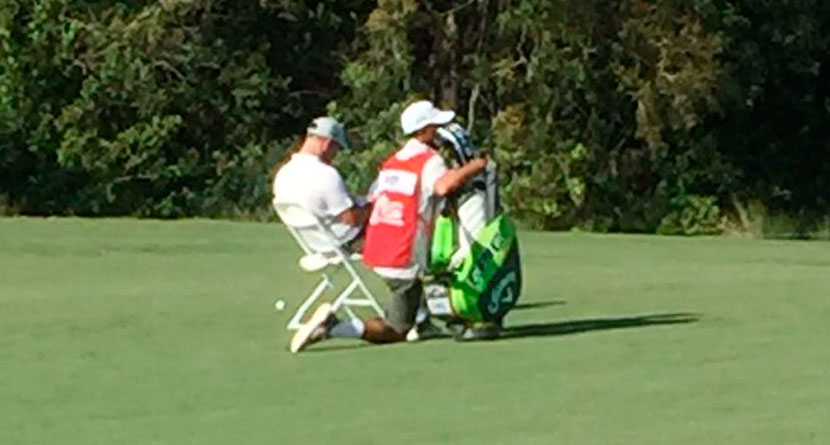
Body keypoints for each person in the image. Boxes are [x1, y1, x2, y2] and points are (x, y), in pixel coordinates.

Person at [290, 100, 488, 353]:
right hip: (403, 254)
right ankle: (334, 327)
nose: (440, 131)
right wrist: (474, 166)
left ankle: (422, 320)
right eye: (435, 126)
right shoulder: (430, 160)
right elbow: (442, 186)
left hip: (378, 247)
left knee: (424, 279)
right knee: (396, 328)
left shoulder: (392, 162)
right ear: (424, 131)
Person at [272, 117, 369, 250]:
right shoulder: (327, 174)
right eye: (336, 148)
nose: (335, 154)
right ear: (327, 144)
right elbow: (351, 219)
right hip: (341, 241)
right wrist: (372, 208)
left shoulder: (283, 173)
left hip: (312, 243)